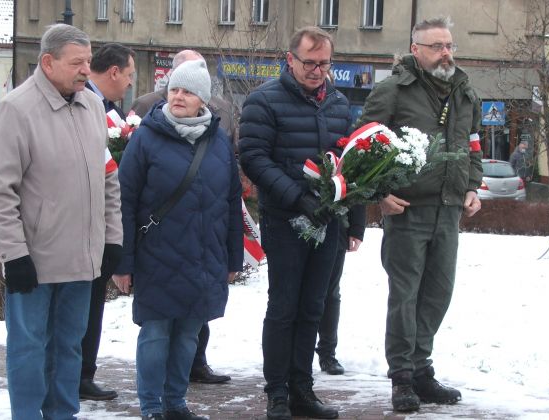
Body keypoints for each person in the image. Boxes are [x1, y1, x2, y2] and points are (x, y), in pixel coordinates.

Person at [0, 24, 123, 419]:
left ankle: (63, 414)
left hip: (81, 260)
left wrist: (112, 238)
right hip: (35, 261)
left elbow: (107, 176)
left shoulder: (93, 105)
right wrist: (14, 256)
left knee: (70, 346)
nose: (85, 70)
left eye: (88, 62)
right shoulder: (16, 110)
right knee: (28, 348)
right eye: (77, 63)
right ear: (48, 62)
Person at [356, 16, 483, 412]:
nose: (445, 52)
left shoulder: (465, 92)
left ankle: (421, 367)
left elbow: (474, 144)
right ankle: (403, 378)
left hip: (449, 210)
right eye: (436, 46)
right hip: (408, 210)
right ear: (416, 50)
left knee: (437, 294)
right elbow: (362, 145)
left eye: (449, 45)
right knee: (405, 297)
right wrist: (380, 194)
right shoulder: (393, 90)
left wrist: (473, 186)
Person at [112, 59, 243, 420]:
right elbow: (124, 200)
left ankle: (176, 403)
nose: (178, 96)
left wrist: (233, 258)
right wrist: (122, 262)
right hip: (158, 256)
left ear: (202, 98)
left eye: (187, 91)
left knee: (188, 335)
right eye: (174, 89)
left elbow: (232, 202)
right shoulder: (146, 137)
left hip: (204, 257)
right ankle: (152, 406)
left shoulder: (217, 140)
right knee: (155, 335)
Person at [239, 26, 351, 420]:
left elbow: (348, 162)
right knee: (284, 306)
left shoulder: (338, 102)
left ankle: (303, 387)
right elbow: (253, 156)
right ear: (290, 59)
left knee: (314, 307)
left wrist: (352, 218)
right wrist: (297, 197)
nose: (317, 70)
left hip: (328, 221)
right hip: (286, 219)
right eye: (309, 62)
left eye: (324, 63)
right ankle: (278, 393)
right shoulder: (263, 100)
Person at [78, 42, 136, 401]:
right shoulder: (88, 104)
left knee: (92, 304)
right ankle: (76, 374)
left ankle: (84, 373)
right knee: (80, 307)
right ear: (113, 72)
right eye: (129, 75)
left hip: (100, 227)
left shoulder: (107, 109)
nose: (130, 84)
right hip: (78, 226)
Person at [316, 207, 365, 375]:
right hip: (296, 225)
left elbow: (356, 186)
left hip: (336, 226)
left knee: (330, 294)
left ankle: (327, 353)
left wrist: (357, 227)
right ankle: (294, 353)